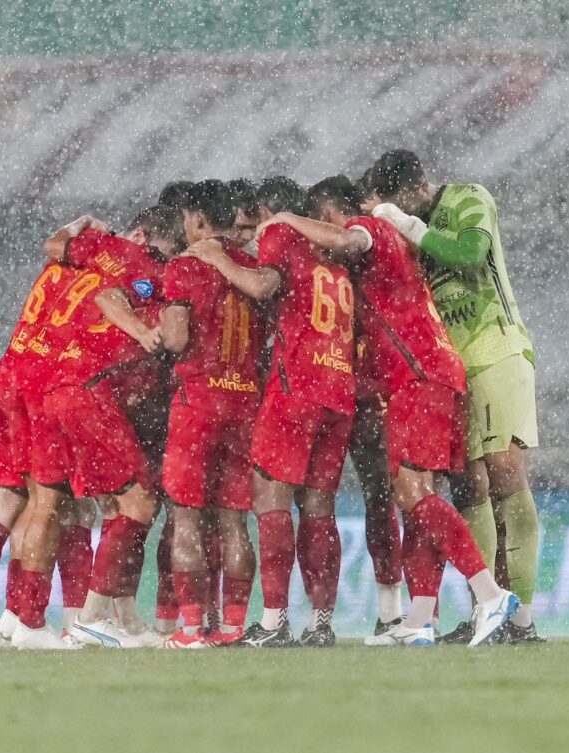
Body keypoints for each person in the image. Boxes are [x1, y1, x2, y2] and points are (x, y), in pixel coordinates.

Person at [260, 176, 518, 647]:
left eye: (321, 218)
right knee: (414, 497)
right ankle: (420, 618)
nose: (321, 233)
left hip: (420, 378)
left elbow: (344, 238)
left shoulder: (370, 227)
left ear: (336, 210)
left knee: (414, 492)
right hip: (433, 375)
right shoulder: (394, 253)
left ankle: (489, 592)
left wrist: (285, 219)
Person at [369, 149, 543, 643]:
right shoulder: (411, 237)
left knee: (507, 475)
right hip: (455, 372)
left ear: (416, 186)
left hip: (497, 351)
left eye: (402, 201)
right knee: (471, 488)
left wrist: (410, 225)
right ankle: (483, 615)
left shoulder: (469, 197)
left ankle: (523, 620)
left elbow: (469, 255)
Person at [185, 176, 355, 648]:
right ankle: (321, 623)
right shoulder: (332, 254)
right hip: (338, 387)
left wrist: (219, 258)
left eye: (250, 224)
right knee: (319, 508)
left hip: (295, 388)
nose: (248, 237)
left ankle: (275, 621)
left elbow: (262, 286)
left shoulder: (281, 234)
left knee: (270, 500)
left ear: (268, 213)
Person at [0, 215, 108, 650]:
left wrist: (80, 224)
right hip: (44, 387)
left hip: (6, 375)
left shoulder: (54, 272)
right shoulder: (102, 282)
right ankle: (63, 622)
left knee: (13, 501)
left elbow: (53, 241)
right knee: (65, 507)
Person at [27, 206, 182, 649]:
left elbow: (55, 246)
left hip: (61, 383)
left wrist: (81, 222)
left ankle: (115, 619)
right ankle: (90, 618)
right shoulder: (152, 271)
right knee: (138, 503)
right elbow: (109, 298)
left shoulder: (106, 247)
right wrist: (143, 330)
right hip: (87, 394)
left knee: (102, 509)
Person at [158, 179, 261, 648]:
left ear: (198, 220)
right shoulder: (253, 265)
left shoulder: (184, 265)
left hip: (198, 403)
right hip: (244, 401)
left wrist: (158, 324)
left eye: (186, 220)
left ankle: (192, 629)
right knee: (234, 522)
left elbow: (177, 339)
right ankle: (235, 627)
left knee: (186, 521)